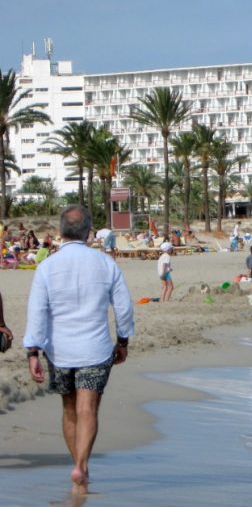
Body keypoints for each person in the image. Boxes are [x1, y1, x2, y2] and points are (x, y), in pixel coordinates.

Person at [23, 205, 134, 496]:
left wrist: (32, 350)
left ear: (60, 231)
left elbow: (37, 310)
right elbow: (123, 306)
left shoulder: (47, 266)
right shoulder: (105, 263)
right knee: (88, 408)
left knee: (70, 408)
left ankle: (77, 464)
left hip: (59, 350)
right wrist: (123, 341)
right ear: (88, 232)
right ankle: (82, 465)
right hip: (95, 348)